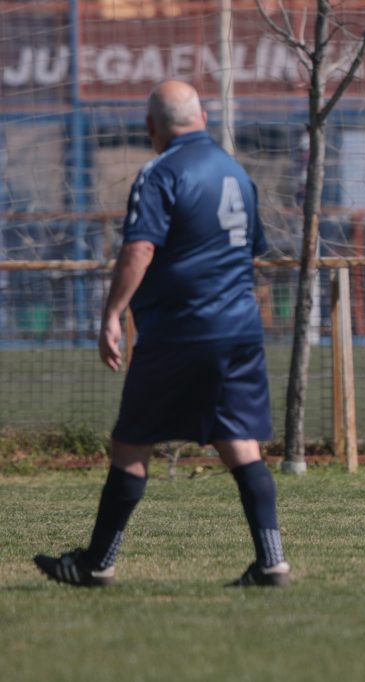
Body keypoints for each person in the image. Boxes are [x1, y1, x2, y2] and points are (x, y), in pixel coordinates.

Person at [33, 80, 289, 587]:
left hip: (181, 330)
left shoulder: (160, 172)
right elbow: (251, 249)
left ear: (151, 127)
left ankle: (96, 564)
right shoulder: (236, 172)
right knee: (240, 441)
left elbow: (140, 249)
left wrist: (112, 314)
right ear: (204, 119)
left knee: (131, 445)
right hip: (239, 328)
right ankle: (271, 560)